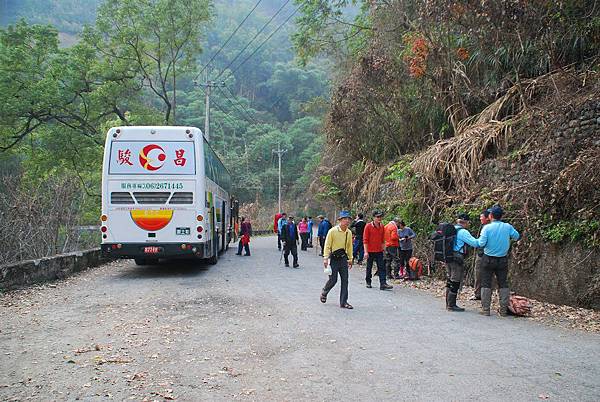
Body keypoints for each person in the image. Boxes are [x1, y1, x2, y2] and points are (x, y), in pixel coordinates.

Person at [477, 205, 520, 316]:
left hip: (488, 258)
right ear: (501, 216)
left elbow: (481, 243)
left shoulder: (487, 228)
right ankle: (503, 310)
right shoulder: (508, 227)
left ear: (490, 216)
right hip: (502, 259)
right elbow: (517, 236)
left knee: (486, 283)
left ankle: (486, 309)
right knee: (503, 283)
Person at [446, 213, 480, 312]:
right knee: (455, 281)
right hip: (457, 258)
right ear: (466, 222)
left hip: (448, 257)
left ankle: (448, 303)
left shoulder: (451, 229)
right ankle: (451, 305)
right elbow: (475, 243)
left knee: (450, 280)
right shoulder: (463, 232)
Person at [320, 210, 354, 309]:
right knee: (333, 280)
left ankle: (343, 302)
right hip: (334, 259)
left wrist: (350, 258)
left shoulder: (349, 232)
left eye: (348, 219)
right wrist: (325, 258)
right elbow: (327, 245)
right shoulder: (333, 231)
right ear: (340, 220)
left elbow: (349, 246)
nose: (347, 221)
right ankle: (324, 291)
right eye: (345, 219)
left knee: (345, 280)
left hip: (343, 259)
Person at [363, 210, 393, 290]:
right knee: (369, 267)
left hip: (379, 250)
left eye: (380, 217)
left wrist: (384, 250)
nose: (379, 218)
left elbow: (383, 240)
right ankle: (368, 281)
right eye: (377, 217)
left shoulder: (382, 226)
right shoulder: (368, 226)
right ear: (373, 218)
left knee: (382, 267)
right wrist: (366, 252)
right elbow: (365, 240)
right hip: (370, 250)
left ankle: (383, 284)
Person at [470, 209, 491, 300]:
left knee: (482, 274)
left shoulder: (488, 228)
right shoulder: (484, 227)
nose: (480, 219)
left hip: (485, 254)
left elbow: (482, 243)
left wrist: (476, 242)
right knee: (478, 274)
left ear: (488, 218)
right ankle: (478, 294)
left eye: (481, 217)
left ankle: (482, 295)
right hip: (482, 253)